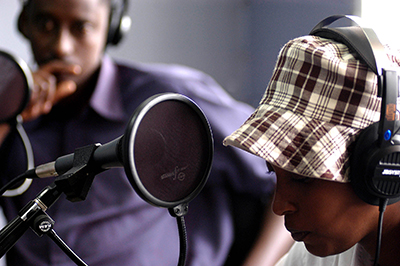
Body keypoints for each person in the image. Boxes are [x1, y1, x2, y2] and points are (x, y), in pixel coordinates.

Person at [0, 0, 292, 265]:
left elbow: (286, 164)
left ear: (113, 28)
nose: (61, 46)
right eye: (45, 25)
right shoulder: (6, 111)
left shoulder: (171, 99)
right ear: (24, 23)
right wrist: (6, 116)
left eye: (82, 27)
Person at [223, 19, 400, 266]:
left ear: (383, 167)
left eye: (302, 177)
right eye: (274, 174)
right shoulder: (312, 258)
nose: (279, 206)